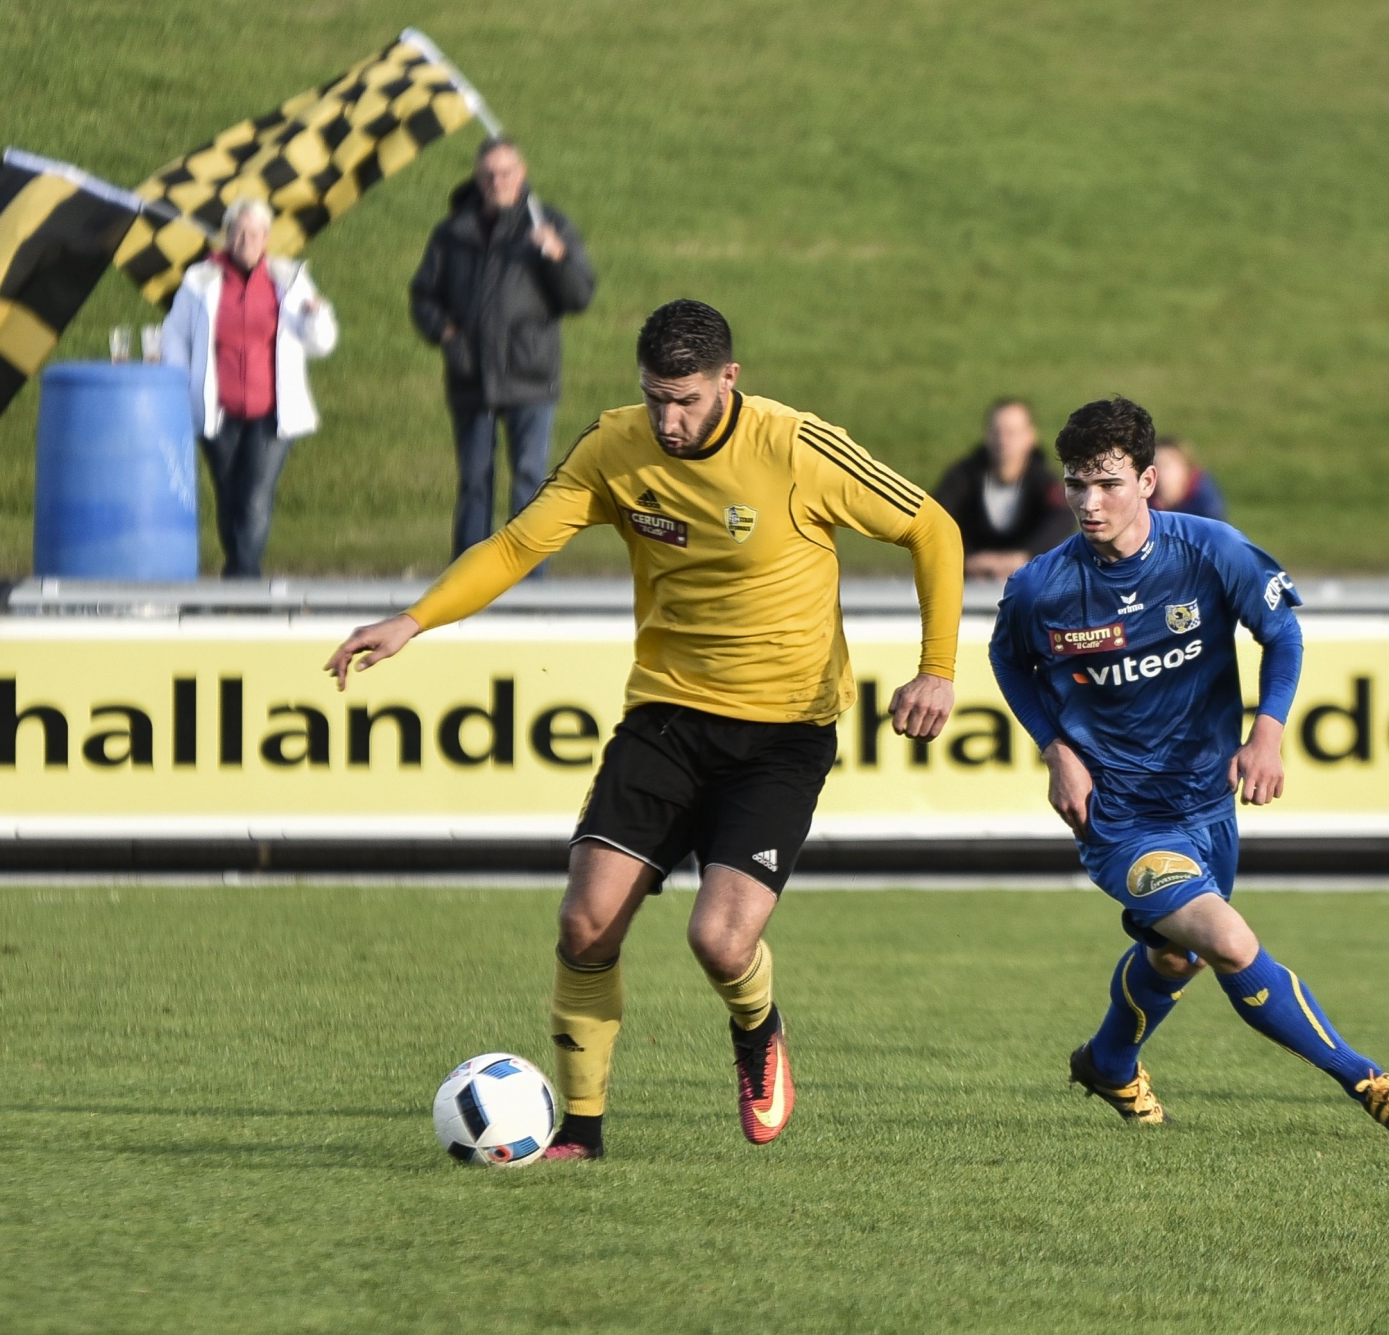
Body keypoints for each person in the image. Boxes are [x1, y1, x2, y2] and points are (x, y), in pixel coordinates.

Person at [326, 300, 962, 1160]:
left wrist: (938, 667)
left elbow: (933, 527)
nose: (668, 420)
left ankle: (756, 1024)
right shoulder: (614, 446)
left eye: (688, 399)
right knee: (586, 924)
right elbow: (517, 546)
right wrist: (414, 618)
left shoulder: (797, 447)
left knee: (719, 938)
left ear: (730, 381)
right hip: (666, 717)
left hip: (782, 734)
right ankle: (581, 1132)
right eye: (655, 397)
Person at [989, 396, 1389, 1137]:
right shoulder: (1042, 585)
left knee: (1176, 959)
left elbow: (1282, 633)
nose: (1088, 501)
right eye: (1076, 483)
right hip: (1120, 818)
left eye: (1106, 483)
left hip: (1207, 804)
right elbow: (1008, 660)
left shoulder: (1211, 550)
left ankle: (1108, 1062)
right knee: (1229, 942)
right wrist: (1055, 747)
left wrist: (1267, 731)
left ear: (1149, 481)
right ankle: (1369, 1082)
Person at [409, 136, 596, 556]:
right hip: (471, 374)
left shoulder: (547, 224)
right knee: (475, 482)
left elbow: (579, 296)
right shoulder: (454, 231)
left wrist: (558, 257)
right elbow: (423, 295)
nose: (498, 181)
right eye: (489, 174)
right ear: (477, 178)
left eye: (506, 172)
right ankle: (467, 584)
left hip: (529, 376)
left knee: (531, 480)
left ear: (522, 173)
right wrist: (446, 333)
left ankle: (528, 587)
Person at [163, 199, 338, 578]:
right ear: (226, 236)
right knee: (229, 496)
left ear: (266, 239)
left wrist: (316, 315)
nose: (245, 240)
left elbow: (322, 343)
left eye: (254, 234)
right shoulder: (201, 280)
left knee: (256, 498)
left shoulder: (288, 279)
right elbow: (175, 334)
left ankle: (243, 579)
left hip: (272, 413)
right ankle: (241, 577)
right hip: (218, 409)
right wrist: (176, 381)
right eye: (238, 233)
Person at [932, 399, 1075, 581]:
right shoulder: (964, 477)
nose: (1003, 441)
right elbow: (936, 516)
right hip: (969, 581)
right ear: (987, 435)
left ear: (1030, 436)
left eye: (1012, 433)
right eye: (997, 432)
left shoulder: (1043, 480)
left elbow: (1062, 518)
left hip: (1030, 581)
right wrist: (966, 558)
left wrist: (1026, 556)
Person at [1148, 436, 1228, 521]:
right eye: (1154, 465)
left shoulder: (1205, 505)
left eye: (1166, 466)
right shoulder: (1144, 497)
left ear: (1186, 468)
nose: (1159, 473)